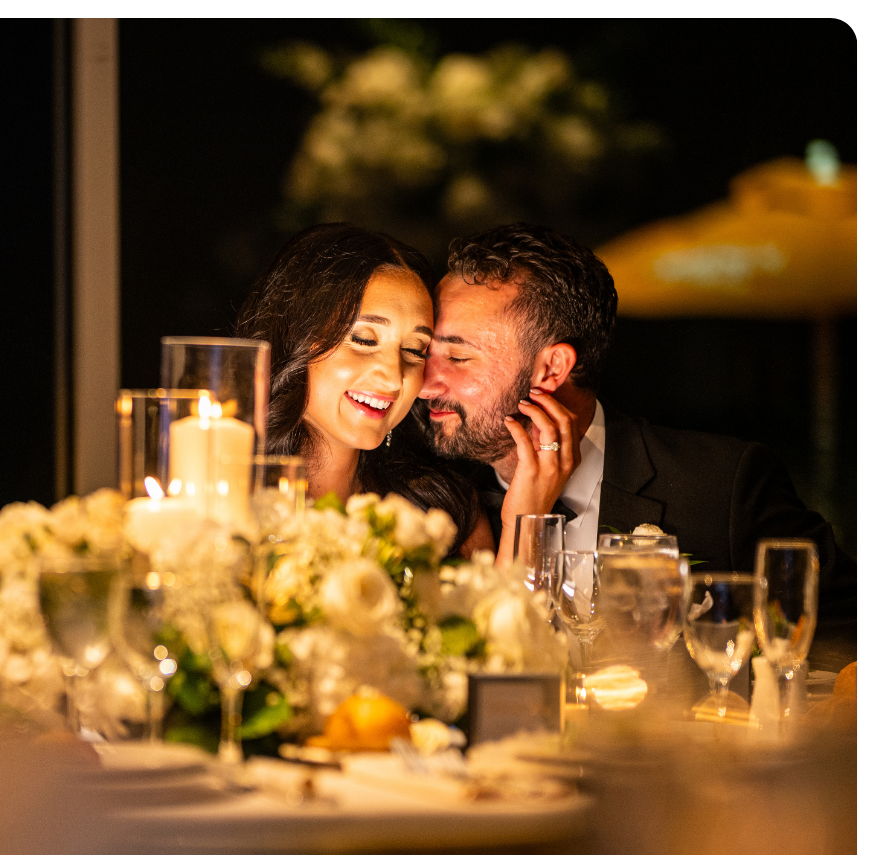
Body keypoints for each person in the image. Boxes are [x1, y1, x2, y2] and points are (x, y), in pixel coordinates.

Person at [418, 222, 856, 669]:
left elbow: (844, 645)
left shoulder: (722, 485)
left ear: (551, 369)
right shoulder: (432, 507)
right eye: (424, 353)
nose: (425, 385)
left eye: (457, 357)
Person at [234, 224, 493, 555]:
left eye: (415, 349)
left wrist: (524, 521)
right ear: (295, 338)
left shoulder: (445, 516)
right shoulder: (222, 492)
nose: (393, 377)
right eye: (364, 340)